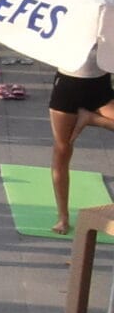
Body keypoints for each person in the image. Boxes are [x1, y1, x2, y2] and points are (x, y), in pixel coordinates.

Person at [44, 66, 114, 233]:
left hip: (100, 87)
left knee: (63, 148)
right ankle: (63, 217)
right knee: (62, 149)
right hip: (68, 87)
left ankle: (90, 118)